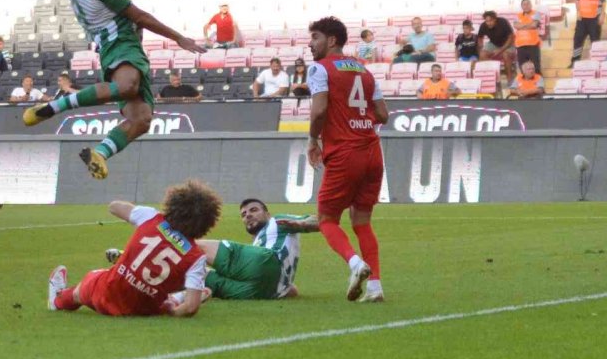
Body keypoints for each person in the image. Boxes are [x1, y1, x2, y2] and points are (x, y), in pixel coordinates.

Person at [23, 0, 205, 180]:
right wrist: (179, 38)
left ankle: (100, 153)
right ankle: (57, 105)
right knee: (128, 86)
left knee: (141, 120)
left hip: (114, 47)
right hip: (121, 43)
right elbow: (139, 16)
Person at [306, 16, 389, 302]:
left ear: (331, 40)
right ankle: (376, 287)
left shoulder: (319, 68)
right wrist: (358, 119)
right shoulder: (364, 70)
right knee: (362, 220)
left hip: (344, 152)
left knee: (327, 219)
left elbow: (318, 112)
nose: (310, 43)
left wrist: (313, 139)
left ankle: (355, 264)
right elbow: (383, 115)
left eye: (315, 37)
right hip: (372, 152)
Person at [48, 180, 221, 317]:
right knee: (161, 296)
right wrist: (174, 312)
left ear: (174, 203)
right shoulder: (196, 256)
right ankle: (179, 298)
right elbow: (191, 308)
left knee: (88, 283)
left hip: (107, 294)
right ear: (207, 223)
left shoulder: (151, 217)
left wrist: (144, 214)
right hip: (144, 310)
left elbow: (114, 206)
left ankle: (57, 300)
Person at [171, 198, 305, 300]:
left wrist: (321, 224)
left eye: (254, 210)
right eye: (244, 214)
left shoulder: (277, 222)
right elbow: (292, 291)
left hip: (266, 262)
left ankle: (163, 241)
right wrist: (285, 287)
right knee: (199, 276)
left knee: (197, 247)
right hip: (263, 292)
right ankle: (160, 282)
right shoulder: (260, 244)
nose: (247, 215)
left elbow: (316, 221)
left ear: (268, 215)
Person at [573, 0, 605, 67]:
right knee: (577, 39)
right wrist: (578, 12)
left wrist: (602, 15)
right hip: (582, 18)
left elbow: (603, 1)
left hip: (594, 17)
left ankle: (596, 62)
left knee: (595, 40)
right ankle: (575, 61)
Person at [478, 10, 517, 81]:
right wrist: (481, 48)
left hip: (508, 43)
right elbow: (480, 38)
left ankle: (509, 78)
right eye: (487, 21)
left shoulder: (503, 22)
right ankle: (492, 75)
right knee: (482, 54)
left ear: (495, 19)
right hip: (494, 43)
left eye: (491, 21)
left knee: (505, 54)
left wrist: (500, 50)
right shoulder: (483, 25)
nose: (489, 23)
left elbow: (511, 37)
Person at [514, 0, 542, 74]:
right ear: (521, 6)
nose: (526, 6)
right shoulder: (518, 15)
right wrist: (529, 24)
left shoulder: (536, 13)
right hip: (520, 44)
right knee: (522, 67)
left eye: (528, 4)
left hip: (533, 44)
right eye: (524, 4)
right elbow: (516, 26)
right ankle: (526, 85)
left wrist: (522, 26)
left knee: (535, 67)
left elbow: (534, 25)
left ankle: (538, 84)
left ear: (531, 5)